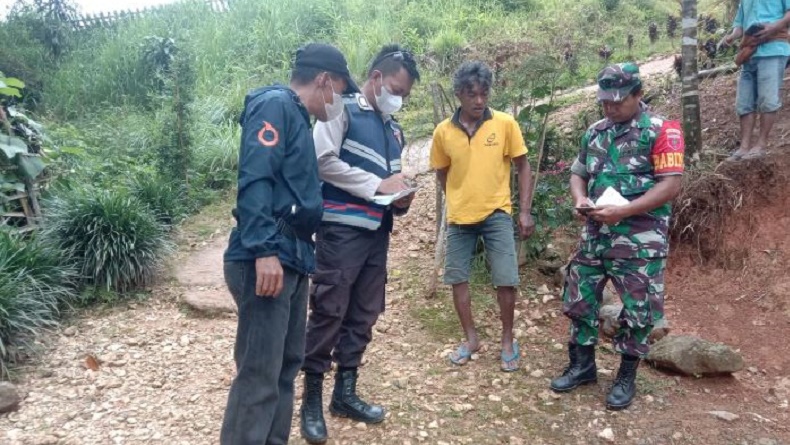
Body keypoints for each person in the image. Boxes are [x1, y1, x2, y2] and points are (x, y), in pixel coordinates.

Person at [220, 43, 357, 445]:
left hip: (295, 256)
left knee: (286, 366)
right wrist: (264, 249)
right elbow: (256, 177)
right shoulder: (274, 105)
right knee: (260, 371)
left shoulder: (297, 117)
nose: (338, 102)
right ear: (323, 80)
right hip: (268, 254)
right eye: (339, 90)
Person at [299, 44, 421, 445]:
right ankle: (311, 399)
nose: (399, 99)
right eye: (396, 90)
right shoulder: (341, 108)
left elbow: (394, 178)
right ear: (376, 79)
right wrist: (376, 187)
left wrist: (402, 197)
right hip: (341, 232)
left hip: (376, 235)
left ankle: (345, 393)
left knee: (365, 312)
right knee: (329, 308)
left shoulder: (393, 128)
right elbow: (321, 160)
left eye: (405, 95)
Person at [549, 63, 684, 411]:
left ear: (638, 94)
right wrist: (580, 198)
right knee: (579, 299)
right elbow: (579, 173)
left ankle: (626, 376)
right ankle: (582, 366)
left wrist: (625, 211)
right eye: (605, 101)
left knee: (639, 310)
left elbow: (670, 185)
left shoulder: (661, 130)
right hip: (595, 235)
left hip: (641, 240)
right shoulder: (595, 132)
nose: (610, 108)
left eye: (618, 101)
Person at [429, 61, 535, 373]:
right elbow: (441, 171)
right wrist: (457, 196)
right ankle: (471, 339)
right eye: (471, 94)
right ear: (459, 94)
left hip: (496, 213)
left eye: (484, 93)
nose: (479, 100)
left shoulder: (504, 124)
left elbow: (523, 166)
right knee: (457, 278)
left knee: (506, 278)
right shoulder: (443, 132)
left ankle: (506, 340)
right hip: (459, 218)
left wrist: (525, 211)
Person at [720, 0, 790, 159]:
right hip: (750, 52)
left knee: (768, 99)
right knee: (744, 102)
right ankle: (744, 147)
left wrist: (775, 26)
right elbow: (740, 25)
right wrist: (732, 36)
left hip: (773, 49)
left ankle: (761, 145)